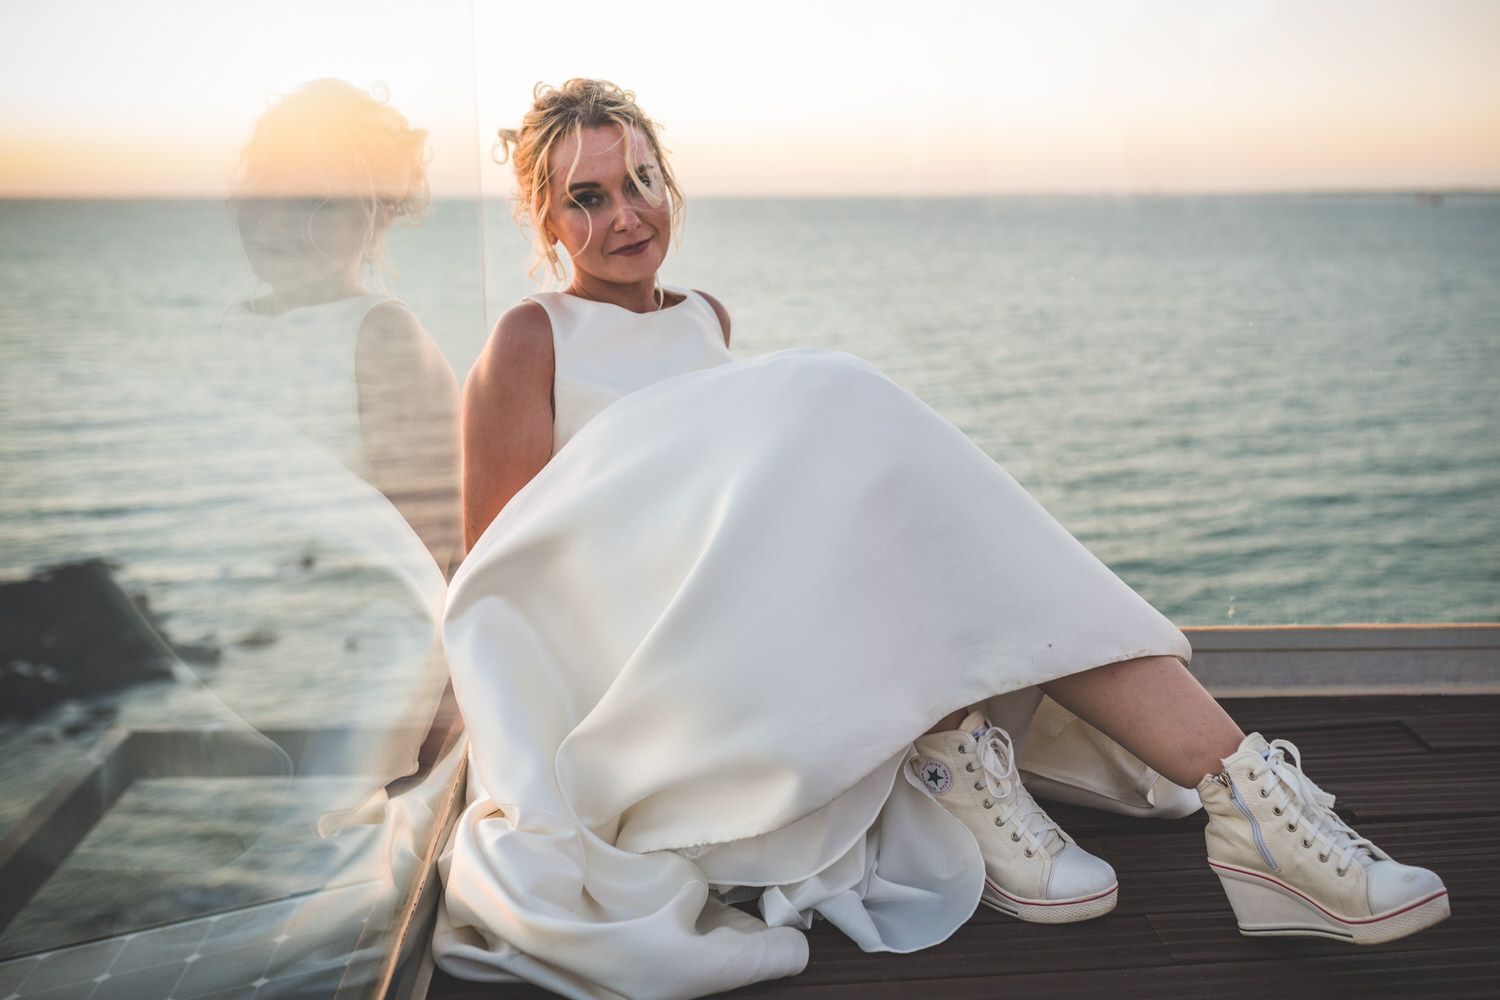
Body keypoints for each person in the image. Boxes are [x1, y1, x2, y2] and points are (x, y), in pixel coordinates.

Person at [433, 79, 1449, 999]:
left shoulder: (706, 315)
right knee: (841, 401)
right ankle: (1216, 802)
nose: (629, 213)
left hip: (753, 606)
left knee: (879, 486)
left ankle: (1239, 797)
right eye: (589, 197)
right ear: (544, 217)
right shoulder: (531, 338)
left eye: (642, 177)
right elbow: (505, 577)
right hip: (653, 656)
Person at [223, 77, 462, 576]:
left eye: (317, 202)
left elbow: (431, 545)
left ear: (378, 218)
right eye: (266, 191)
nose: (277, 221)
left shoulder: (381, 335)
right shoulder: (236, 324)